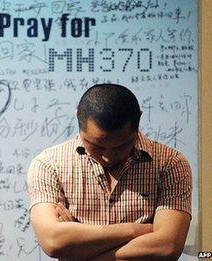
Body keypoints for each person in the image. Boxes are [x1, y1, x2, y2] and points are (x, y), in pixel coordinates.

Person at [27, 83, 192, 260]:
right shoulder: (49, 164)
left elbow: (167, 246)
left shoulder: (170, 164)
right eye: (96, 146)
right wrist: (137, 230)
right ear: (78, 119)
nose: (108, 157)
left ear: (138, 122)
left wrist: (78, 244)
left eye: (122, 145)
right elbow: (53, 241)